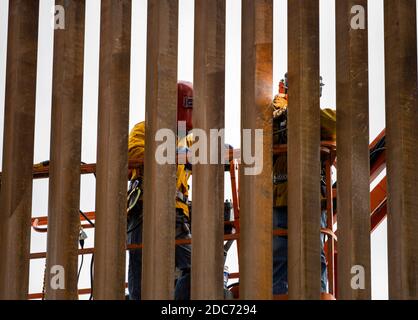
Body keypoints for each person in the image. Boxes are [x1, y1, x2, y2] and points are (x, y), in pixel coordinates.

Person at [126, 81, 194, 300]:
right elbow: (134, 153)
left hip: (175, 213)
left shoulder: (189, 138)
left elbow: (216, 149)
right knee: (140, 273)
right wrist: (172, 152)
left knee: (195, 270)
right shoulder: (145, 128)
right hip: (145, 209)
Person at [271, 74, 336, 295]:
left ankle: (317, 291)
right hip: (281, 195)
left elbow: (336, 123)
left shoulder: (317, 116)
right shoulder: (277, 113)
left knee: (313, 251)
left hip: (310, 197)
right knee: (280, 250)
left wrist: (303, 114)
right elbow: (266, 126)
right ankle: (278, 294)